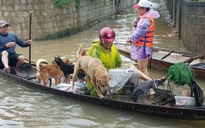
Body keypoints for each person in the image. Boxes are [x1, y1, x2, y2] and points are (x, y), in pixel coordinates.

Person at [87, 27, 152, 96]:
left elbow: (119, 62)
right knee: (130, 71)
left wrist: (127, 67)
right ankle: (149, 81)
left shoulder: (113, 47)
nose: (108, 44)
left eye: (110, 42)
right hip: (105, 75)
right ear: (101, 40)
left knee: (131, 67)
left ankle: (150, 81)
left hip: (113, 71)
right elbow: (95, 75)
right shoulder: (96, 52)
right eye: (106, 42)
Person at [127, 0, 160, 77]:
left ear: (144, 9)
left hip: (144, 47)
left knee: (142, 69)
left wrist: (131, 38)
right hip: (142, 46)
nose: (137, 10)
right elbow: (138, 31)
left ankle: (149, 83)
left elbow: (140, 32)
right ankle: (146, 82)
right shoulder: (143, 18)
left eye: (139, 8)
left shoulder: (146, 20)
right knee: (141, 68)